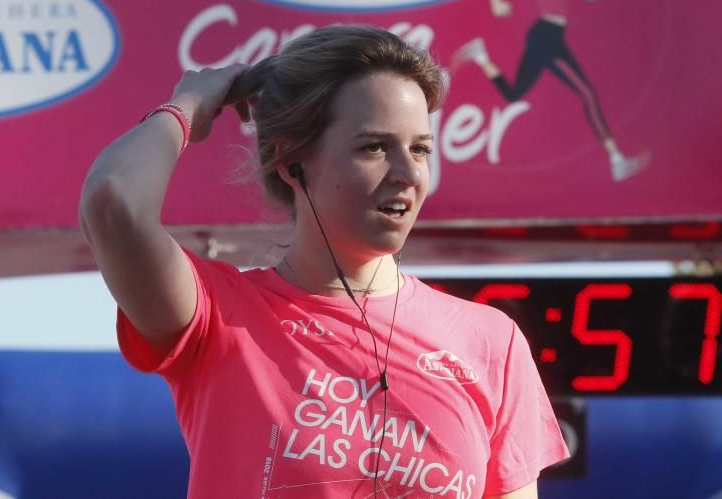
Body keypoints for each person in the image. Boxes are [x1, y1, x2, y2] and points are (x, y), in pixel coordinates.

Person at [79, 25, 569, 498]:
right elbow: (113, 200)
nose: (407, 173)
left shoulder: (491, 341)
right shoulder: (215, 316)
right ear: (292, 160)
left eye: (420, 149)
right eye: (374, 147)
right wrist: (190, 104)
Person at [452, 0, 648, 182]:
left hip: (553, 36)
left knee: (514, 95)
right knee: (588, 94)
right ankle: (616, 160)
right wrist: (496, 3)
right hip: (544, 37)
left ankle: (482, 56)